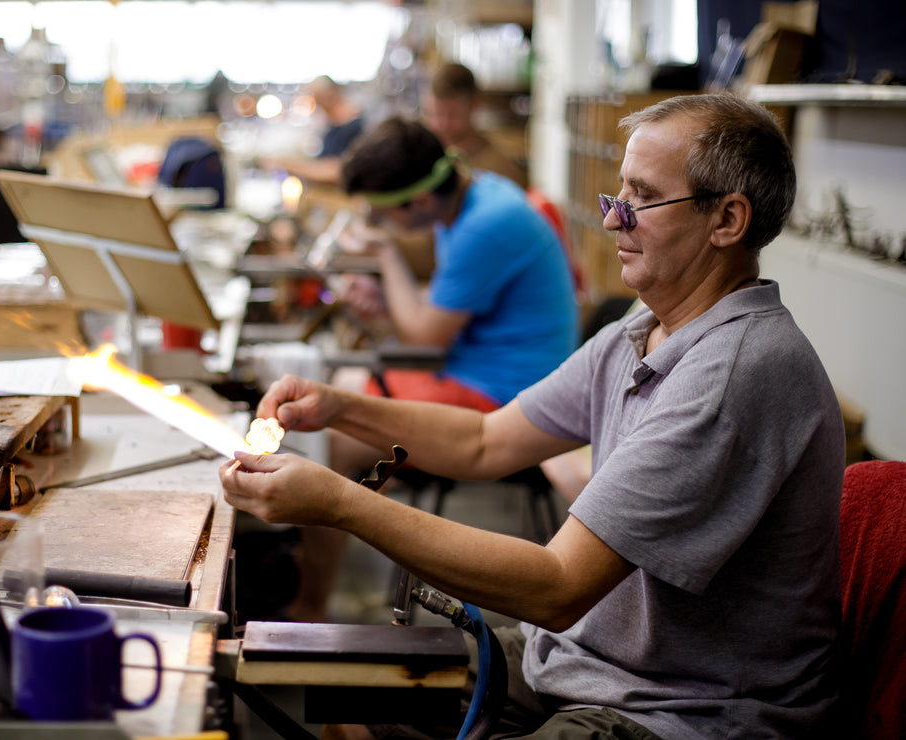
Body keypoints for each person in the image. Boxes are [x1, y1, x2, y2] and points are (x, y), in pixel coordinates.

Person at [221, 93, 844, 738]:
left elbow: (557, 586)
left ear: (728, 220)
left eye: (641, 198)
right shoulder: (643, 331)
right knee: (349, 704)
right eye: (615, 196)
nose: (612, 221)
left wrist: (341, 504)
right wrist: (342, 408)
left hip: (677, 710)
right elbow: (488, 441)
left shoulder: (733, 373)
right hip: (587, 657)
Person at [274, 117, 579, 623]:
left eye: (382, 212)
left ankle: (310, 606)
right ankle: (349, 533)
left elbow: (424, 337)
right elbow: (436, 318)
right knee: (339, 399)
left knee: (322, 440)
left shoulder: (485, 225)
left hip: (510, 396)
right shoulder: (477, 196)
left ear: (417, 202)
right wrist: (382, 306)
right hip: (483, 368)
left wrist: (387, 257)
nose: (378, 222)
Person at [421, 62, 528, 189]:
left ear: (476, 104)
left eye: (452, 114)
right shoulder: (422, 159)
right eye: (434, 114)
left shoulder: (501, 169)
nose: (441, 124)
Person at [259, 76, 365, 186]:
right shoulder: (333, 125)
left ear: (328, 97)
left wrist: (283, 164)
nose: (316, 106)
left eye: (317, 100)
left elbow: (335, 171)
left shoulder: (354, 127)